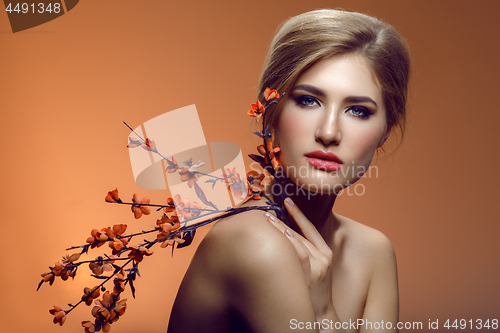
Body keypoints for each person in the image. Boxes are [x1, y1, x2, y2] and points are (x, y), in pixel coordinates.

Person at [167, 8, 410, 333]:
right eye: (308, 100)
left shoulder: (373, 251)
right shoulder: (253, 242)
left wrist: (324, 312)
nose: (328, 132)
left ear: (386, 131)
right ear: (270, 112)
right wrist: (323, 315)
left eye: (358, 110)